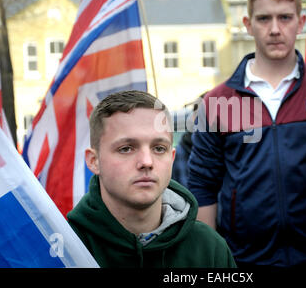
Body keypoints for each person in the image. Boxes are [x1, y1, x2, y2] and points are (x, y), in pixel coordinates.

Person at [187, 0, 306, 267]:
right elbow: (202, 186)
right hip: (243, 260)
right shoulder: (218, 101)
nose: (275, 29)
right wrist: (213, 264)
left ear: (301, 22)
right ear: (248, 24)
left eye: (285, 17)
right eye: (264, 19)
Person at [67, 90, 236, 268]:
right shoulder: (62, 247)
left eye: (159, 148)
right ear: (94, 161)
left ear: (172, 158)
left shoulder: (209, 248)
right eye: (126, 148)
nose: (146, 162)